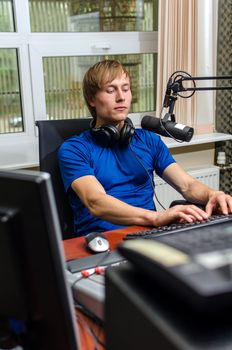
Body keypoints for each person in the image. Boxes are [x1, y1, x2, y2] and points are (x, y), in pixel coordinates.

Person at [58, 59, 232, 236]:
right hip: (101, 242)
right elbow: (96, 202)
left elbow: (187, 185)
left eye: (126, 89)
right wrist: (155, 217)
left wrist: (212, 194)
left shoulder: (148, 140)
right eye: (111, 90)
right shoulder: (74, 149)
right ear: (92, 99)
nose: (121, 96)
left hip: (150, 235)